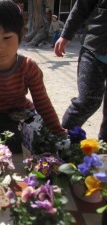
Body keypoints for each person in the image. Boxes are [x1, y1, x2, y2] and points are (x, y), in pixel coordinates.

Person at [0, 0, 66, 152]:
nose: (0, 47)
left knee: (42, 137)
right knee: (5, 141)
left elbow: (42, 102)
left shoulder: (28, 67)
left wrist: (59, 132)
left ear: (20, 34)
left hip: (24, 112)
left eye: (7, 38)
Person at [54, 0, 107, 142]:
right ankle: (62, 142)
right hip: (94, 48)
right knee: (88, 100)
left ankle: (104, 148)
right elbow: (81, 8)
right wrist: (65, 35)